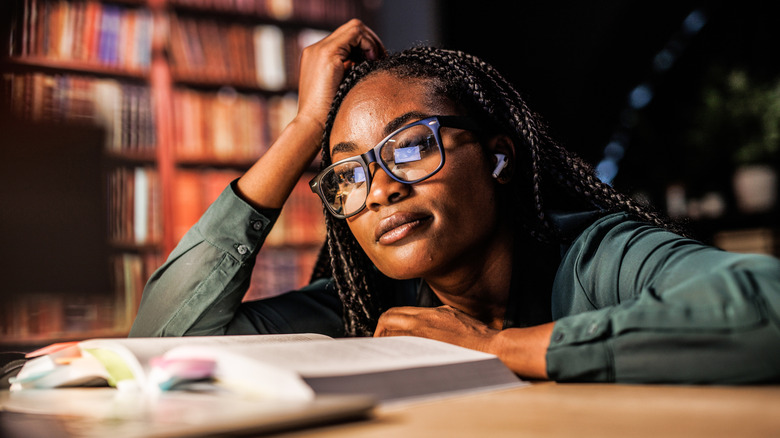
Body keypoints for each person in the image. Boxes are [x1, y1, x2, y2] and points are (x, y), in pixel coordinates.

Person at [130, 20, 780, 383]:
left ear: (498, 156)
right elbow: (158, 341)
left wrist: (508, 347)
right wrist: (303, 132)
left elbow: (768, 306)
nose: (380, 187)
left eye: (410, 148)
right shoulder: (365, 310)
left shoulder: (597, 259)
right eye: (348, 176)